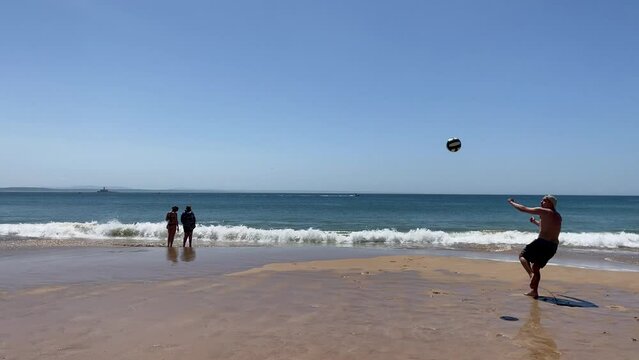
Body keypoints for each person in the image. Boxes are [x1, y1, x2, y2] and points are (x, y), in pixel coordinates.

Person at [507, 195, 562, 299]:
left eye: (544, 201)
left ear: (550, 203)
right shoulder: (558, 216)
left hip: (542, 243)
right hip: (553, 247)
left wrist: (511, 202)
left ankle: (531, 275)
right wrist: (535, 222)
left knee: (522, 256)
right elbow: (547, 228)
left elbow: (523, 209)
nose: (541, 202)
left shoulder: (544, 211)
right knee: (536, 267)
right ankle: (534, 291)